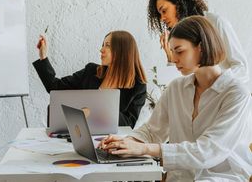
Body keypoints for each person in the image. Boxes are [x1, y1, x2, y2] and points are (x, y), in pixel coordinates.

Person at [100, 16, 252, 181]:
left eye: (179, 51)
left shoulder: (236, 92)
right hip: (181, 177)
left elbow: (208, 151)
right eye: (172, 52)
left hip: (223, 177)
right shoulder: (176, 88)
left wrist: (143, 149)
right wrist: (124, 142)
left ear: (201, 47)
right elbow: (152, 130)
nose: (173, 59)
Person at [33, 30, 147, 128]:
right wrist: (43, 56)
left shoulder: (138, 86)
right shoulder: (91, 71)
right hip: (80, 135)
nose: (101, 49)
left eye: (107, 45)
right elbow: (54, 87)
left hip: (110, 141)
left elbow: (129, 124)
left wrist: (98, 108)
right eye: (103, 44)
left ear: (122, 51)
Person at [147, 0, 249, 84]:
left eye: (164, 11)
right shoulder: (178, 38)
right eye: (159, 15)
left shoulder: (216, 23)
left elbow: (242, 69)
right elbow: (174, 85)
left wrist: (214, 82)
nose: (162, 18)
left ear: (179, 4)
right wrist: (170, 57)